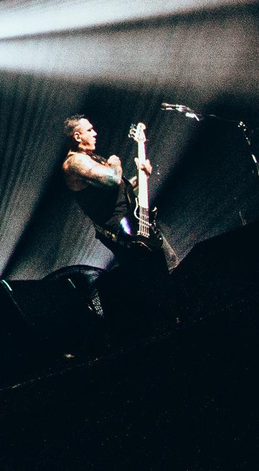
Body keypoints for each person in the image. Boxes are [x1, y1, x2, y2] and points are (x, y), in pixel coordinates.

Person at [58, 115, 174, 334]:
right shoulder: (75, 162)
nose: (95, 133)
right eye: (89, 130)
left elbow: (120, 189)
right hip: (123, 232)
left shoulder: (91, 159)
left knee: (166, 269)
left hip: (134, 222)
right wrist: (116, 160)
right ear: (77, 136)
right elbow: (111, 178)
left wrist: (141, 178)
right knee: (154, 278)